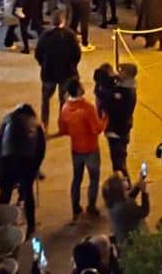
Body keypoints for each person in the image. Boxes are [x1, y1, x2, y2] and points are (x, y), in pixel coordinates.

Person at [58, 76, 107, 221]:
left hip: (76, 149)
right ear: (78, 90)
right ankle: (91, 206)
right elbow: (97, 129)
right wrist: (105, 119)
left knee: (77, 179)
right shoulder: (87, 108)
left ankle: (75, 208)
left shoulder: (65, 108)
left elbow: (63, 129)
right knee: (93, 179)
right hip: (90, 148)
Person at [0, 102, 46, 233]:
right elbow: (41, 150)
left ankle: (0, 225)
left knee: (4, 195)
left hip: (7, 161)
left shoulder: (7, 120)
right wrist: (35, 169)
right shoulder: (37, 124)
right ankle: (31, 226)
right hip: (26, 161)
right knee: (28, 194)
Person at [35, 10, 82, 128]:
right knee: (64, 100)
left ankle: (44, 124)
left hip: (48, 72)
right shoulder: (70, 35)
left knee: (45, 99)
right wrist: (73, 66)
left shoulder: (45, 35)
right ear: (64, 21)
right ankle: (62, 124)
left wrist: (43, 64)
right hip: (66, 72)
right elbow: (77, 54)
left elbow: (38, 53)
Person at [94, 63, 136, 173]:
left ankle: (125, 187)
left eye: (121, 71)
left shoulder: (124, 93)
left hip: (118, 131)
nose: (118, 73)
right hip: (120, 129)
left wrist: (105, 88)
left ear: (127, 75)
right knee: (118, 161)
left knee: (119, 164)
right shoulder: (123, 87)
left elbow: (109, 104)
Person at [102, 168, 149, 247]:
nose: (126, 178)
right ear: (119, 187)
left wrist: (138, 184)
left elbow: (129, 196)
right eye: (123, 179)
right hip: (132, 240)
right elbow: (144, 212)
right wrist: (144, 193)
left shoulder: (113, 199)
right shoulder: (126, 205)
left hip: (121, 236)